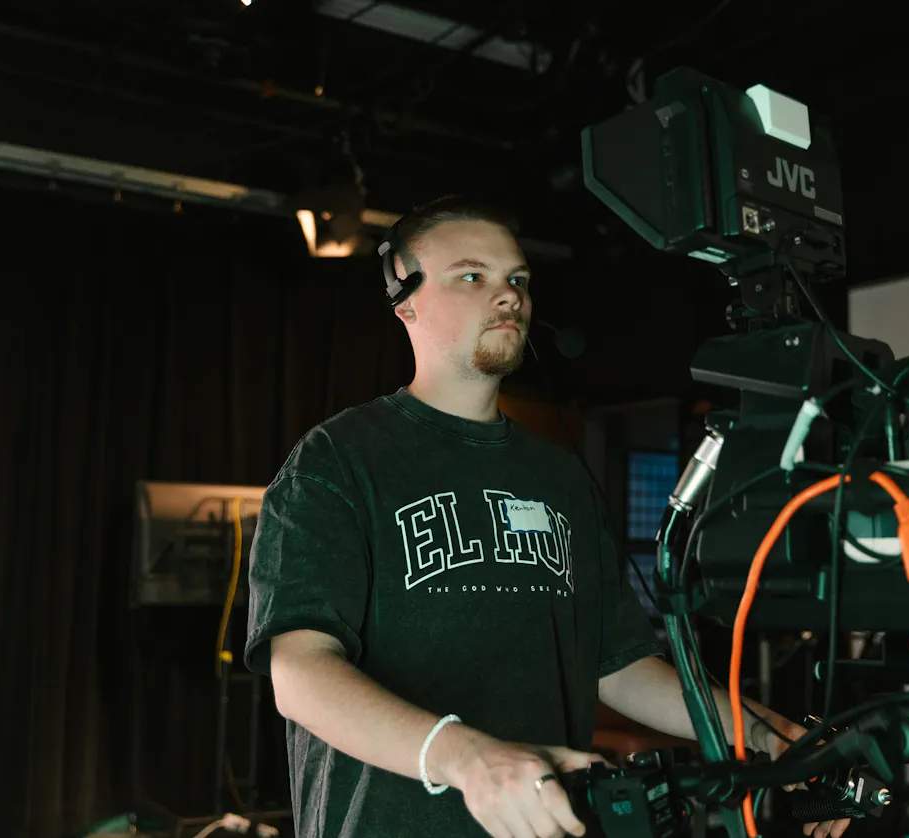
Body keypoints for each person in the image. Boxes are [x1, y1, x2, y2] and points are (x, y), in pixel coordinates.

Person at [244, 195, 851, 838]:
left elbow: (618, 667)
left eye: (518, 280)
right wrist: (468, 760)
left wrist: (767, 734)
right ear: (406, 298)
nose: (508, 296)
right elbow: (300, 672)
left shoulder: (560, 477)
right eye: (472, 276)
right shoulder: (336, 460)